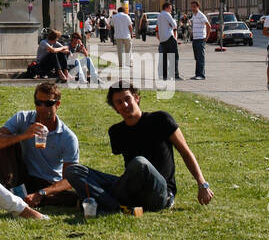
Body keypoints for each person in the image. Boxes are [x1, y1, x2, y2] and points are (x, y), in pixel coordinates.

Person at [63, 83, 214, 214]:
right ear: (115, 108)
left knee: (140, 163)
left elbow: (185, 151)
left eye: (127, 99)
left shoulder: (161, 119)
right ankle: (117, 207)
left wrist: (202, 184)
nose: (125, 105)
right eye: (119, 102)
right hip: (132, 190)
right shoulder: (116, 131)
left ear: (136, 98)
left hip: (159, 193)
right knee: (74, 170)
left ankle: (103, 202)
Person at [0, 80, 80, 205]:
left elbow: (69, 180)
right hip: (21, 176)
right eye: (38, 102)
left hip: (47, 182)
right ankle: (3, 190)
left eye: (48, 103)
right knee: (7, 141)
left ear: (57, 104)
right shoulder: (22, 119)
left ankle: (21, 195)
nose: (42, 107)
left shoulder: (67, 137)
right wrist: (23, 136)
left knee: (75, 196)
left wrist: (42, 192)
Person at [156, 1, 181, 80]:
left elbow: (158, 28)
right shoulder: (167, 14)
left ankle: (164, 75)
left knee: (164, 58)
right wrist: (171, 25)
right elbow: (175, 25)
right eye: (170, 8)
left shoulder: (159, 15)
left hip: (162, 39)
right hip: (169, 38)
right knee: (174, 57)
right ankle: (175, 74)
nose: (171, 10)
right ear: (166, 8)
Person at [189, 0, 209, 80]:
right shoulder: (194, 15)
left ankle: (201, 75)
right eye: (192, 7)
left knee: (200, 58)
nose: (193, 8)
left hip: (201, 39)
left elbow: (209, 26)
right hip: (195, 39)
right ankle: (197, 74)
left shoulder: (201, 15)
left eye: (194, 7)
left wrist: (206, 38)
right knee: (197, 58)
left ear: (198, 7)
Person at [111, 3, 133, 69]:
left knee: (120, 50)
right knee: (128, 50)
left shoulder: (114, 17)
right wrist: (131, 34)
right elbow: (130, 26)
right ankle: (128, 63)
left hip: (118, 35)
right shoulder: (126, 16)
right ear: (123, 11)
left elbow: (112, 25)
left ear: (118, 11)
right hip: (126, 35)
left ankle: (121, 64)